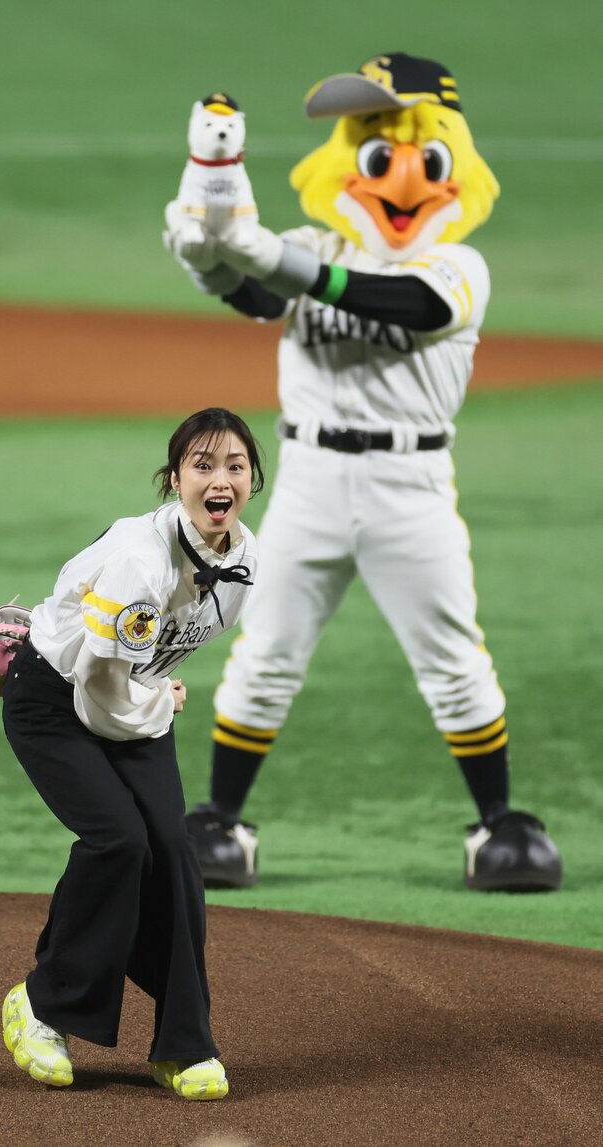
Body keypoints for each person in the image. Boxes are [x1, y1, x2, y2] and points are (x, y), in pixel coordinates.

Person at [164, 53, 562, 893]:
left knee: (451, 658)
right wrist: (206, 256)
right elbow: (254, 295)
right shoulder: (315, 246)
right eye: (374, 151)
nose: (398, 175)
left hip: (409, 489)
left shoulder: (456, 267)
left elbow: (403, 305)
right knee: (265, 649)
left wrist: (269, 255)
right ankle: (220, 820)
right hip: (307, 480)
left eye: (416, 151)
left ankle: (499, 823)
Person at [0, 407, 262, 1100]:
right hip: (58, 702)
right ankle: (41, 1004)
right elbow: (98, 689)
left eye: (235, 466)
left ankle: (184, 1044)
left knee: (173, 851)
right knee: (119, 840)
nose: (220, 479)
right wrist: (158, 699)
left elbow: (146, 665)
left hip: (132, 697)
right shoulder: (139, 563)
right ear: (174, 478)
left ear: (252, 481)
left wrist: (151, 691)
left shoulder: (242, 558)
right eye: (202, 465)